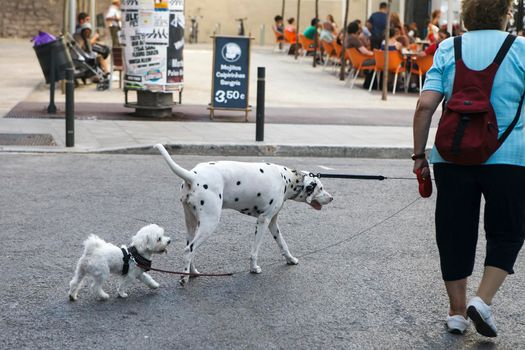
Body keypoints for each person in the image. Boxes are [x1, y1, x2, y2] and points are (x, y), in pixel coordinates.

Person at [412, 0, 525, 337]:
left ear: (466, 16)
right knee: (507, 230)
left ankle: (457, 312)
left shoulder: (449, 47)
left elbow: (424, 106)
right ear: (505, 15)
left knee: (453, 231)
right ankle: (483, 300)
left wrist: (419, 156)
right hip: (510, 158)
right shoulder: (521, 48)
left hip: (453, 156)